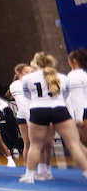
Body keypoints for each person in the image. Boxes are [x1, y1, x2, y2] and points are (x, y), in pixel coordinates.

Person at [20, 52, 87, 183]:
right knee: (74, 145)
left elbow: (27, 97)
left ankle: (29, 176)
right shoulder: (63, 77)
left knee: (35, 145)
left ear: (35, 63)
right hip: (59, 109)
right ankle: (86, 171)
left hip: (38, 110)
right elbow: (66, 96)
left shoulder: (27, 78)